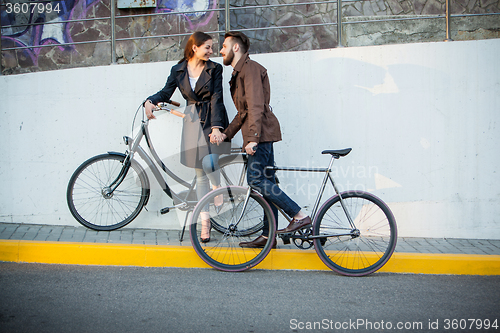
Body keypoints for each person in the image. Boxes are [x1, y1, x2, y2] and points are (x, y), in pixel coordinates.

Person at [216, 31, 311, 248]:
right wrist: (226, 134)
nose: (220, 50)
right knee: (266, 183)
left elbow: (256, 107)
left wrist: (254, 139)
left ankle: (298, 215)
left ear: (236, 48)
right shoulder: (241, 72)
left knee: (256, 181)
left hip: (260, 137)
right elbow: (243, 112)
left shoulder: (249, 69)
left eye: (224, 46)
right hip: (259, 136)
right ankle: (269, 237)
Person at [144, 31, 230, 243]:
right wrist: (150, 101)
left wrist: (217, 127)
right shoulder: (178, 70)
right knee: (200, 175)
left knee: (210, 163)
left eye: (212, 47)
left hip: (212, 119)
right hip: (192, 121)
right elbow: (165, 93)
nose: (211, 51)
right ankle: (205, 222)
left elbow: (217, 97)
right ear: (194, 47)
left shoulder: (215, 69)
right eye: (207, 47)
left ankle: (217, 188)